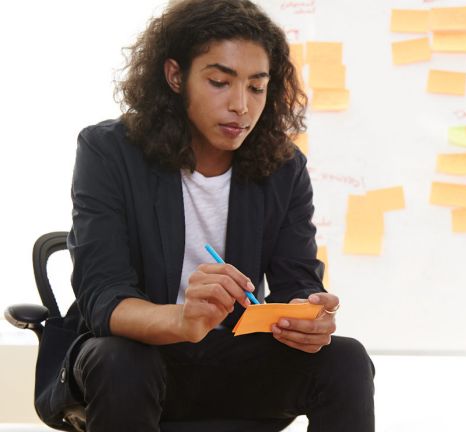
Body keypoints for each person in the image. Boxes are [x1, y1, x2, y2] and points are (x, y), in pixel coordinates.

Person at [61, 0, 375, 430]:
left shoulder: (284, 168)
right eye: (219, 82)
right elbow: (104, 300)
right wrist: (182, 320)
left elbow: (295, 280)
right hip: (139, 356)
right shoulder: (109, 152)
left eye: (256, 87)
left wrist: (308, 313)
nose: (241, 106)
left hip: (232, 357)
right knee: (119, 360)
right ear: (175, 76)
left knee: (346, 359)